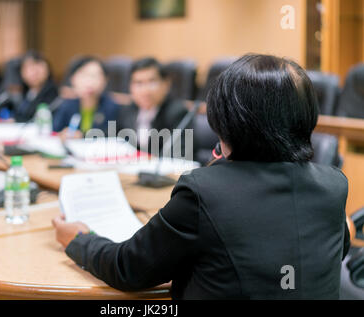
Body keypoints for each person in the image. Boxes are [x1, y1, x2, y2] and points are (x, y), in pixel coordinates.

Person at [52, 54, 350, 299]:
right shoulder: (334, 185)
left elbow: (128, 269)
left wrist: (79, 239)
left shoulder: (203, 192)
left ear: (223, 120)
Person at [116, 57, 189, 156]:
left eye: (152, 82)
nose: (145, 90)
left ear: (166, 84)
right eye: (139, 83)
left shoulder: (177, 113)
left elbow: (181, 154)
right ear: (130, 87)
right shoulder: (127, 110)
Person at [52, 56, 119, 138]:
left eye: (95, 76)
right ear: (73, 79)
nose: (89, 81)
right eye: (84, 75)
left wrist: (82, 135)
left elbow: (112, 134)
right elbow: (55, 131)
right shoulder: (66, 105)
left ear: (105, 81)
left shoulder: (112, 107)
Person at [13, 51, 58, 122]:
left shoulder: (54, 92)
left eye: (37, 66)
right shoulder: (26, 92)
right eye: (28, 68)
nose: (34, 72)